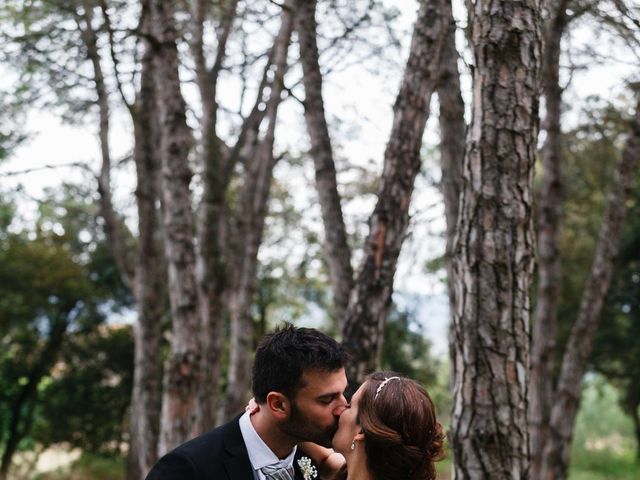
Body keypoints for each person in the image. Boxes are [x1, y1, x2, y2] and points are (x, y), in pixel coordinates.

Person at [145, 325, 350, 480]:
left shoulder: (316, 462)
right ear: (278, 404)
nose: (343, 408)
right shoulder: (187, 470)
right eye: (327, 399)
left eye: (343, 393)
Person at [306, 371, 445, 480]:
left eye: (349, 406)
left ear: (360, 432)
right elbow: (325, 457)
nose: (341, 410)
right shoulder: (343, 470)